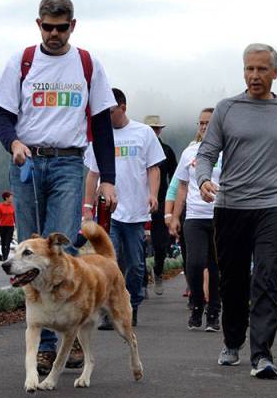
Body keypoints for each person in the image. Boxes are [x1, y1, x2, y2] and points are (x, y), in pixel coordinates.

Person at [0, 0, 117, 376]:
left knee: (61, 246)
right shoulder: (22, 61)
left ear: (72, 26)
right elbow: (2, 116)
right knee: (30, 250)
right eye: (48, 27)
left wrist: (108, 178)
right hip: (28, 160)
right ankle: (46, 344)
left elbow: (100, 124)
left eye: (62, 28)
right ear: (38, 25)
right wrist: (11, 141)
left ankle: (71, 335)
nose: (54, 34)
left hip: (66, 162)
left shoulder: (86, 64)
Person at [195, 43, 277, 379]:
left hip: (274, 205)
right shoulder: (227, 109)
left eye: (261, 69)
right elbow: (206, 153)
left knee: (268, 276)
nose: (254, 76)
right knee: (232, 281)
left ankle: (262, 354)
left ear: (275, 72)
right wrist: (203, 180)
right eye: (249, 69)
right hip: (231, 206)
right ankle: (232, 341)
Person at [83, 88, 163, 328]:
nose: (105, 117)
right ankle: (110, 312)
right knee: (109, 264)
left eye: (110, 111)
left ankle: (132, 305)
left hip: (136, 211)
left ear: (123, 107)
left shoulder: (143, 133)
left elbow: (154, 168)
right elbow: (92, 174)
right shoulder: (99, 137)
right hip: (109, 212)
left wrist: (153, 194)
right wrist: (87, 207)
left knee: (136, 265)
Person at [168, 107, 220, 332]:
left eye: (209, 123)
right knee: (195, 263)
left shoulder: (227, 151)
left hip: (221, 215)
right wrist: (175, 217)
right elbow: (181, 185)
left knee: (217, 266)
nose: (204, 127)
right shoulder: (190, 153)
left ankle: (214, 312)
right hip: (195, 216)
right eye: (201, 123)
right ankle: (197, 303)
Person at [143, 114, 178, 296]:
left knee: (160, 244)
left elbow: (174, 179)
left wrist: (173, 206)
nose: (154, 132)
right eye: (150, 129)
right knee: (138, 243)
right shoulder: (139, 148)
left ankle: (157, 271)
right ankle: (141, 283)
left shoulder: (167, 151)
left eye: (156, 129)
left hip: (162, 202)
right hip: (140, 201)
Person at [0, 190, 16, 260]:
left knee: (8, 242)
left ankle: (6, 257)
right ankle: (4, 256)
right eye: (10, 197)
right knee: (3, 243)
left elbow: (14, 216)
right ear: (6, 198)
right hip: (3, 226)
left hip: (10, 226)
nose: (12, 198)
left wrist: (16, 224)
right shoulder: (0, 206)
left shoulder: (12, 206)